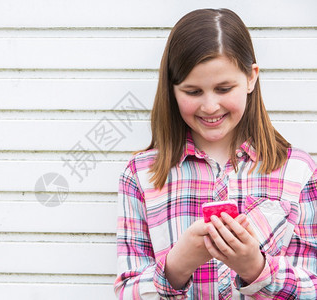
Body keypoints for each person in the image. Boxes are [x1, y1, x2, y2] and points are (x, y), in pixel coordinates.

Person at [114, 8, 316, 299]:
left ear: (251, 78)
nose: (210, 106)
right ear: (172, 90)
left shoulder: (297, 171)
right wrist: (177, 265)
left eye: (224, 88)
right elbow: (126, 291)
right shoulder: (140, 174)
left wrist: (257, 268)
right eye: (193, 92)